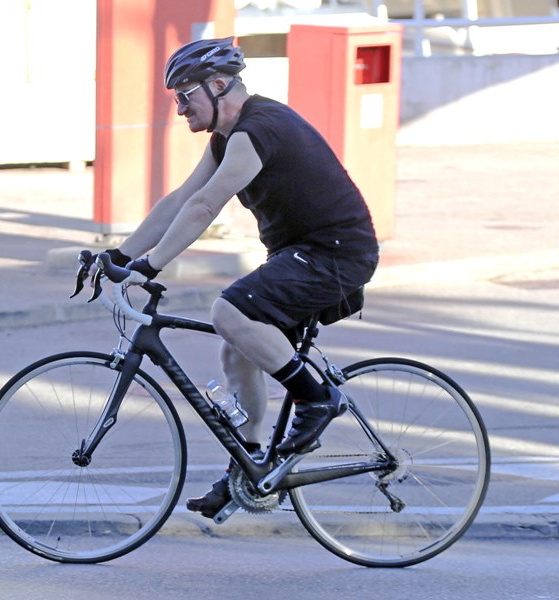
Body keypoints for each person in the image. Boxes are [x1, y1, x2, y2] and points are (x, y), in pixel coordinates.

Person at [100, 37, 379, 519]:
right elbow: (182, 199)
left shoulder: (257, 129)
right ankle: (250, 469)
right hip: (302, 253)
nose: (180, 108)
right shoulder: (227, 138)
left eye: (185, 96)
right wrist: (121, 254)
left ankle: (316, 400)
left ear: (218, 85)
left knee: (229, 311)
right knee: (237, 350)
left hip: (336, 253)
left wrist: (151, 266)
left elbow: (206, 206)